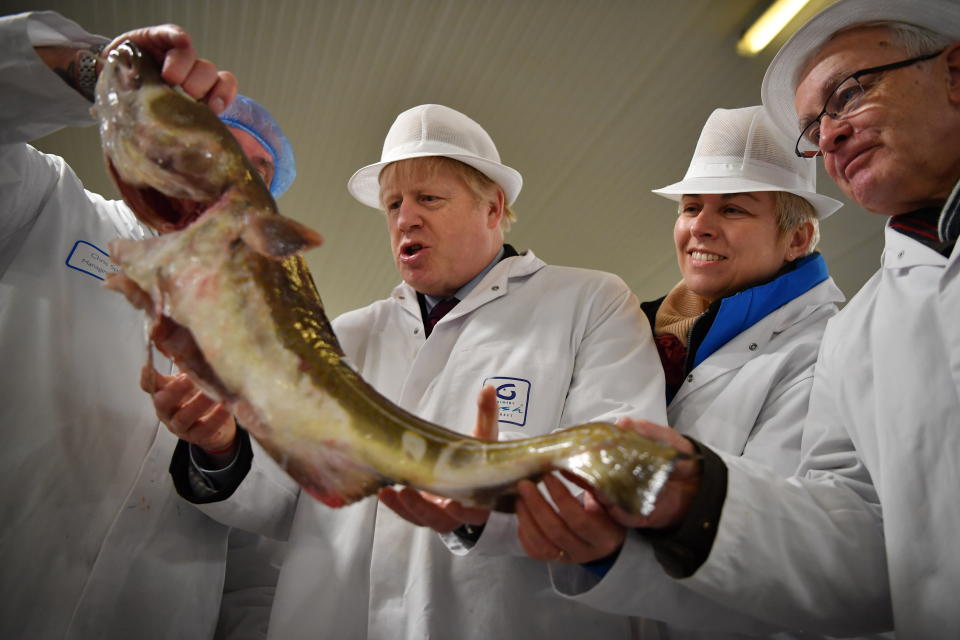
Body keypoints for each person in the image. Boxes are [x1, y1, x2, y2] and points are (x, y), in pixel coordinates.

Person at [163, 103, 668, 639]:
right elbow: (284, 498)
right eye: (393, 204)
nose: (406, 218)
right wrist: (222, 446)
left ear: (493, 209)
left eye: (429, 198)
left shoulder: (589, 302)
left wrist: (490, 501)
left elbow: (617, 469)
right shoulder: (342, 337)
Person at [581, 1, 960, 637]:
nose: (831, 132)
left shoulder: (820, 345)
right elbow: (860, 541)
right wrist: (690, 500)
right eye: (815, 124)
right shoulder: (859, 334)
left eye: (851, 92)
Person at [516, 106, 880, 639]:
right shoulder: (640, 337)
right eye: (690, 207)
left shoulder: (827, 353)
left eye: (732, 210)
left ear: (798, 239)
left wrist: (613, 554)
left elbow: (779, 558)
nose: (700, 227)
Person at [0, 11, 289, 639]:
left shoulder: (271, 351)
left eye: (254, 175)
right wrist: (96, 73)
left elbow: (260, 563)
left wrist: (222, 453)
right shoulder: (51, 206)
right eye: (214, 149)